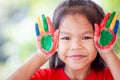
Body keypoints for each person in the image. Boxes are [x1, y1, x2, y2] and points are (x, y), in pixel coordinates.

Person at [7, 0, 120, 80]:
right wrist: (41, 55)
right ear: (54, 41)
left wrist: (107, 52)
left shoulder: (110, 76)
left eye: (86, 37)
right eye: (66, 38)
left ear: (100, 37)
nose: (76, 46)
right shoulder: (45, 77)